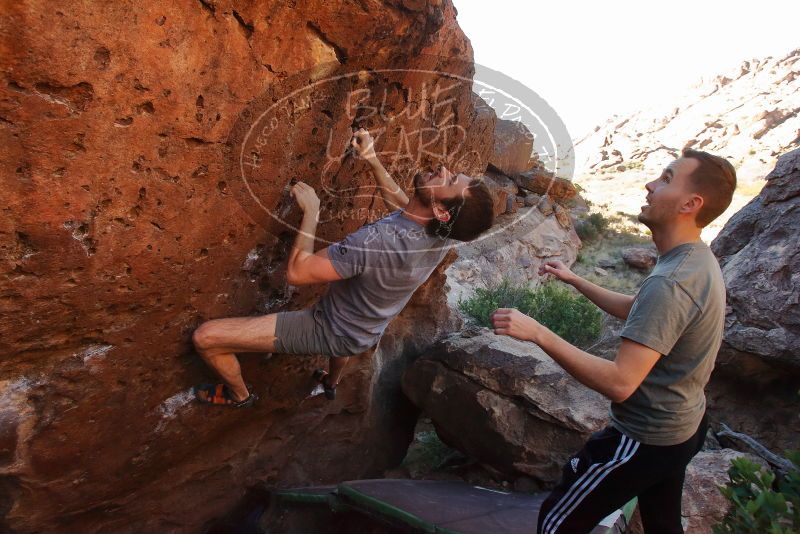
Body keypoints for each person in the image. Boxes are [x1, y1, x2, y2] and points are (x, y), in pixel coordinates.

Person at [491, 149, 737, 533]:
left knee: (557, 521)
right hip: (683, 427)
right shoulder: (693, 259)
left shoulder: (671, 282)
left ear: (691, 203)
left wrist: (537, 332)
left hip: (644, 439)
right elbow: (642, 310)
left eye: (667, 179)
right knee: (661, 525)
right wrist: (575, 280)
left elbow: (621, 383)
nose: (650, 185)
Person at [192, 128, 494, 406]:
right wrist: (372, 160)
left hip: (328, 327)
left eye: (451, 181)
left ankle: (239, 395)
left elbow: (298, 272)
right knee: (346, 347)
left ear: (441, 211)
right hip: (368, 328)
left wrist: (312, 210)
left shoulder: (375, 243)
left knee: (207, 338)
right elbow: (405, 208)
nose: (444, 169)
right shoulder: (444, 236)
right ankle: (331, 382)